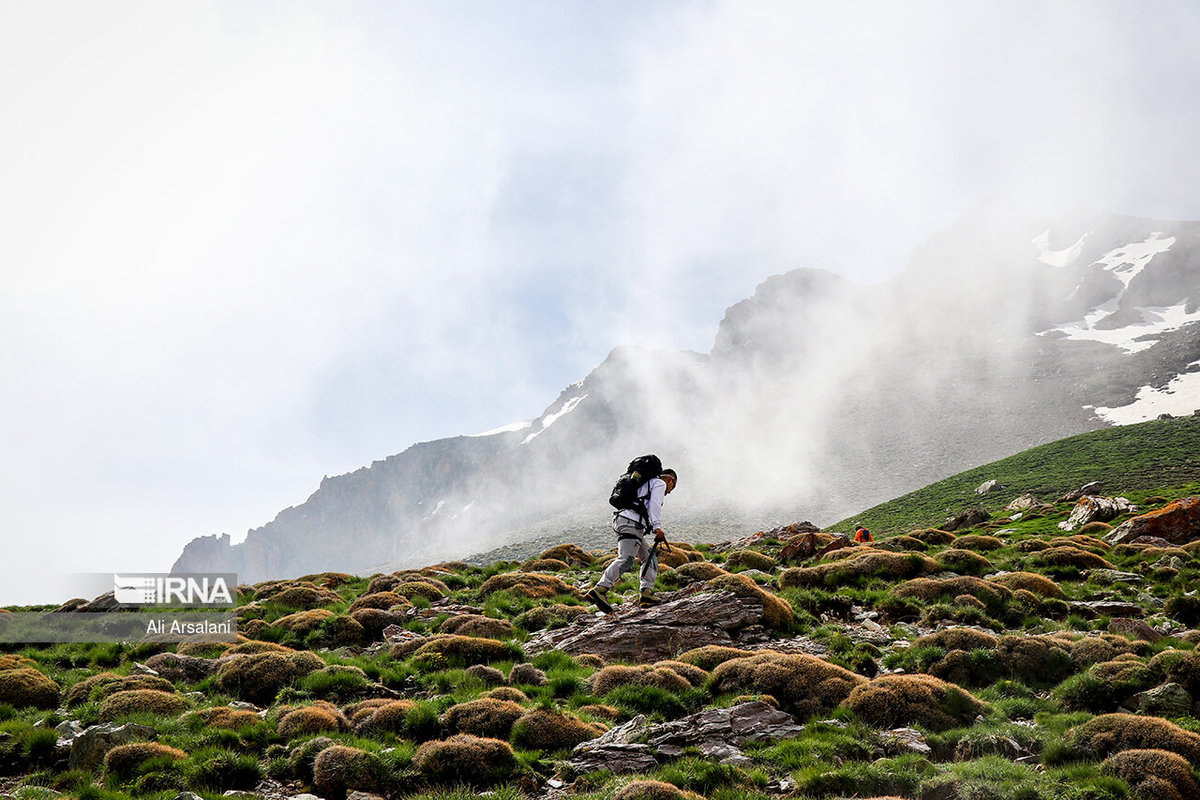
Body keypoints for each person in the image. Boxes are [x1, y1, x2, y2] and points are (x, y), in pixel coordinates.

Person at [585, 468, 678, 611]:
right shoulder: (659, 483)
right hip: (631, 522)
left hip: (627, 522)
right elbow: (654, 504)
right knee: (626, 558)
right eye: (671, 488)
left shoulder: (645, 484)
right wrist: (657, 527)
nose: (669, 492)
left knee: (649, 558)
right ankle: (600, 589)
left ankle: (646, 594)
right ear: (670, 480)